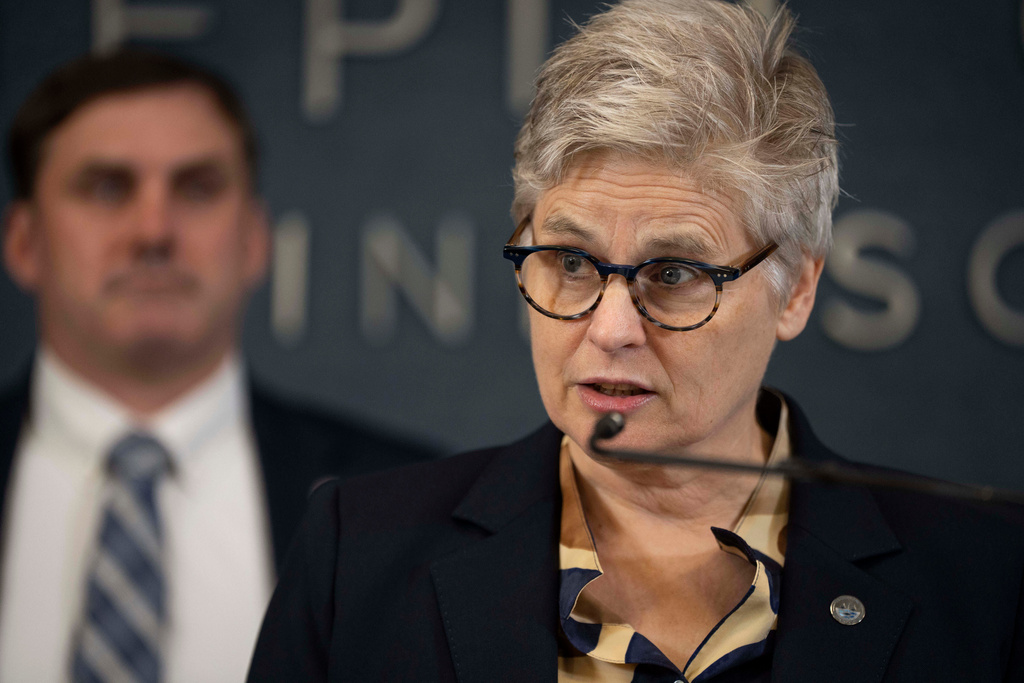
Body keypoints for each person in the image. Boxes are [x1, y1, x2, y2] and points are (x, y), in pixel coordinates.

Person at [247, 1, 1024, 680]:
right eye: (572, 262)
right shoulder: (361, 556)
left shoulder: (986, 577)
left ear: (798, 288)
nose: (610, 329)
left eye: (677, 272)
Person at [0, 50, 434, 681]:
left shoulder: (409, 509)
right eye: (106, 187)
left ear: (255, 240)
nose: (154, 230)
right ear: (24, 242)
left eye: (197, 188)